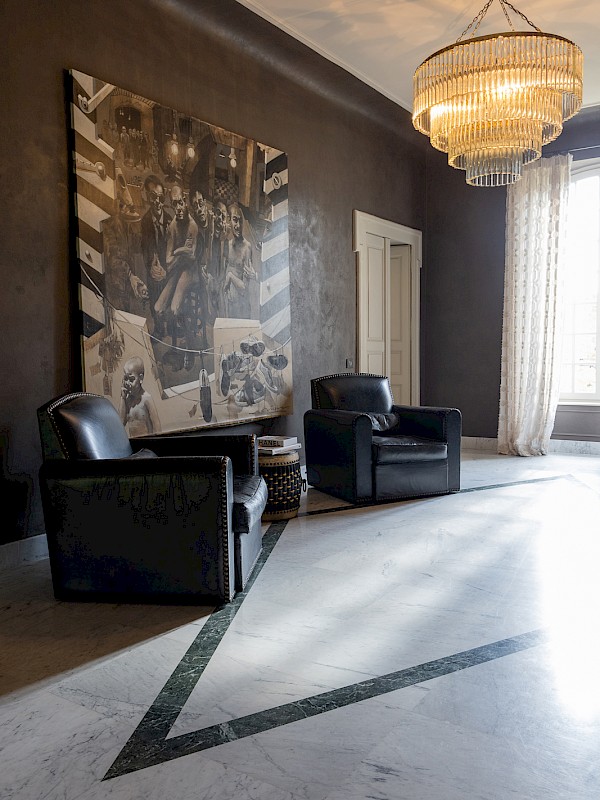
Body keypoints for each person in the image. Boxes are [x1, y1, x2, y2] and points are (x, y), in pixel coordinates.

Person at [155, 184, 199, 370]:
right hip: (177, 270)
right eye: (175, 204)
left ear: (185, 201)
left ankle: (190, 347)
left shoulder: (192, 226)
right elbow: (168, 261)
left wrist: (177, 252)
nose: (179, 208)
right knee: (158, 308)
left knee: (174, 308)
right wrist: (182, 251)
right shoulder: (173, 226)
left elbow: (192, 256)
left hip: (190, 272)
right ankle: (175, 348)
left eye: (181, 202)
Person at [140, 175, 172, 338]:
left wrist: (167, 269)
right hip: (154, 266)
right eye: (153, 197)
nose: (158, 202)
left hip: (169, 267)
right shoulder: (145, 221)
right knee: (154, 295)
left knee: (170, 295)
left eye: (160, 197)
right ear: (148, 197)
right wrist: (152, 266)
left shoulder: (170, 220)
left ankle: (171, 325)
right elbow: (146, 248)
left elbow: (174, 248)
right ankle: (159, 329)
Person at [223, 202, 256, 319]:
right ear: (229, 221)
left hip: (242, 308)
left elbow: (244, 288)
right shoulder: (227, 245)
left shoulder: (247, 247)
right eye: (235, 220)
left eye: (240, 221)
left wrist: (230, 276)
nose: (238, 225)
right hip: (229, 305)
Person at [119, 355, 160, 436]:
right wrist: (122, 398)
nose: (127, 383)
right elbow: (120, 424)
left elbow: (157, 427)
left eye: (131, 379)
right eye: (125, 379)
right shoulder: (127, 401)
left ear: (140, 378)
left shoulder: (147, 399)